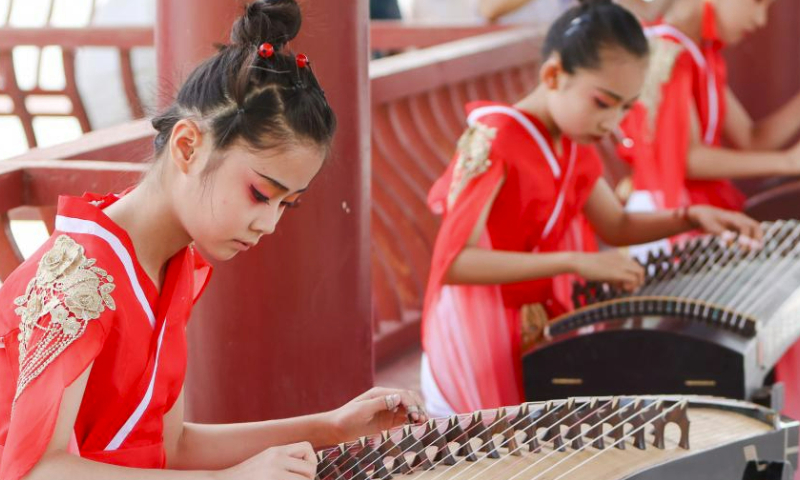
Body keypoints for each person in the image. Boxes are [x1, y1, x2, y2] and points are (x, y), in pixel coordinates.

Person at [0, 2, 426, 479]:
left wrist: (331, 427)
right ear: (187, 146)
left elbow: (170, 446)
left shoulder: (170, 259)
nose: (268, 224)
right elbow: (37, 470)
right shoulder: (82, 277)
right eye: (260, 194)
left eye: (287, 205)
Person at [420, 0, 762, 417]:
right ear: (552, 74)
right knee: (488, 449)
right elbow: (454, 262)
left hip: (531, 324)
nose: (612, 122)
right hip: (477, 328)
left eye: (625, 107)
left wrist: (688, 218)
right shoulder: (498, 135)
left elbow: (615, 224)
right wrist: (577, 262)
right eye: (603, 102)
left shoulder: (572, 147)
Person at [619, 0, 800, 214]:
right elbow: (687, 160)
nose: (760, 20)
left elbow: (752, 140)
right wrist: (787, 162)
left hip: (701, 208)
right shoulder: (666, 51)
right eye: (757, 3)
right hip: (667, 215)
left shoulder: (700, 53)